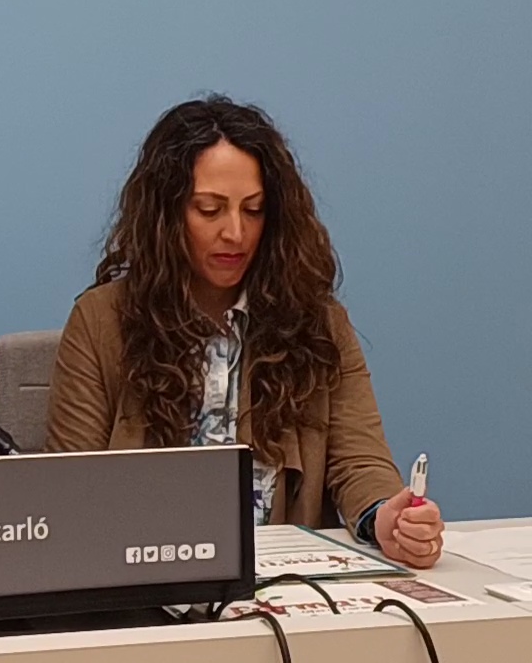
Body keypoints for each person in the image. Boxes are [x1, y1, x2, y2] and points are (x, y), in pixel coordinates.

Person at [46, 96, 445, 568]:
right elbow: (69, 493)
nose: (235, 233)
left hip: (282, 581)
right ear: (166, 215)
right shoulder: (100, 321)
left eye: (253, 210)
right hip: (143, 578)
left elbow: (359, 460)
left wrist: (386, 519)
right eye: (209, 210)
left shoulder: (318, 321)